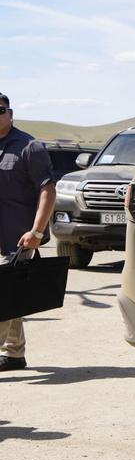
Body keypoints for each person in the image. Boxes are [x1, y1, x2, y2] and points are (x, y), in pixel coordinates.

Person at [0, 91, 56, 372]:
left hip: (18, 238)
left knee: (3, 295)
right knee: (12, 296)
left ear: (10, 114)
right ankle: (14, 354)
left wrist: (37, 230)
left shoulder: (29, 147)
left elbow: (47, 189)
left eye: (0, 110)